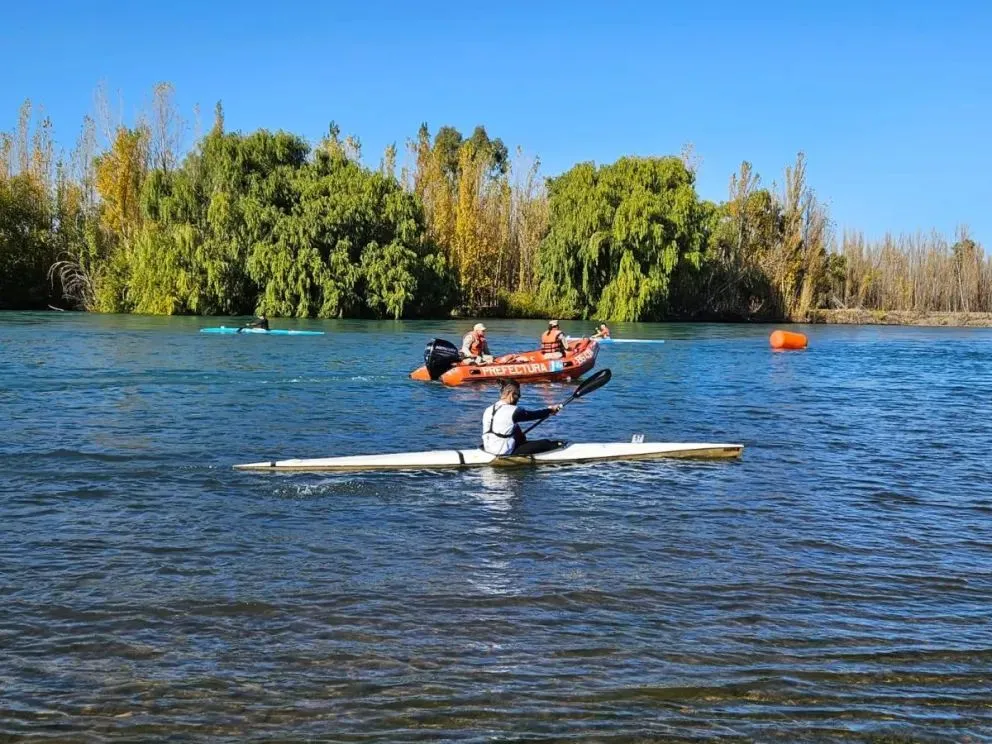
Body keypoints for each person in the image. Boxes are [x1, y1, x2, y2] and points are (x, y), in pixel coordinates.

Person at [481, 379, 563, 456]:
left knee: (515, 428)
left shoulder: (488, 410)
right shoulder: (513, 411)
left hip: (487, 449)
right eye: (518, 395)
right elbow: (534, 415)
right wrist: (550, 410)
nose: (518, 399)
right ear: (511, 394)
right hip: (503, 452)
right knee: (545, 443)